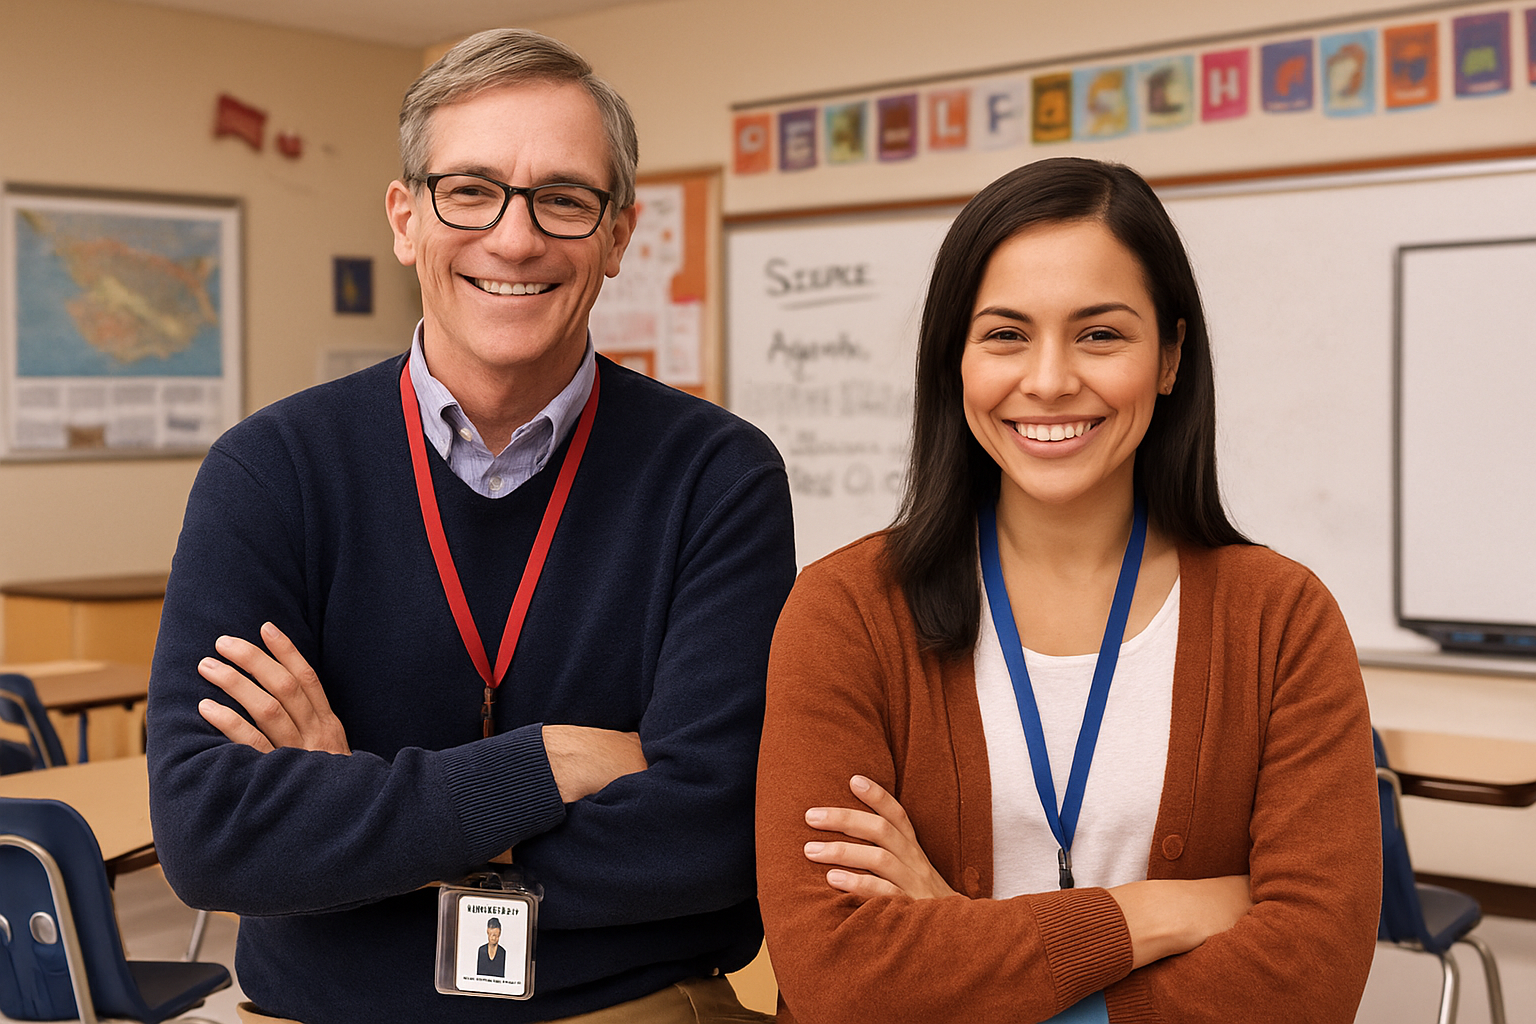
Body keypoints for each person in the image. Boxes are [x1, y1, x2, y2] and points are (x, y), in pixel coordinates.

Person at [146, 28, 794, 1024]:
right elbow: (212, 835)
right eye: (471, 189)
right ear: (406, 218)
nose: (515, 237)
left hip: (627, 1010)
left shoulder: (717, 476)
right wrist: (554, 767)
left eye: (563, 198)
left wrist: (359, 813)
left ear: (618, 234)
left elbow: (712, 832)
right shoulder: (270, 472)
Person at [755, 157, 1381, 1024]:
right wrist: (1158, 912)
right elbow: (841, 977)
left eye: (1100, 335)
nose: (1049, 380)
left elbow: (1309, 979)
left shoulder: (1281, 619)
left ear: (1169, 357)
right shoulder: (847, 612)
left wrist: (962, 936)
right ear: (955, 362)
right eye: (1005, 335)